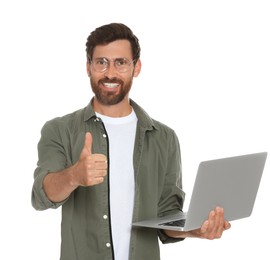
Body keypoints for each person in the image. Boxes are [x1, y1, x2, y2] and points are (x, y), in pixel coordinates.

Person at [31, 22, 231, 260]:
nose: (110, 73)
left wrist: (194, 229)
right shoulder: (60, 130)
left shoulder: (164, 137)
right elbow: (41, 196)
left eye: (121, 62)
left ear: (136, 67)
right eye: (101, 62)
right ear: (88, 67)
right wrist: (74, 175)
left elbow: (167, 215)